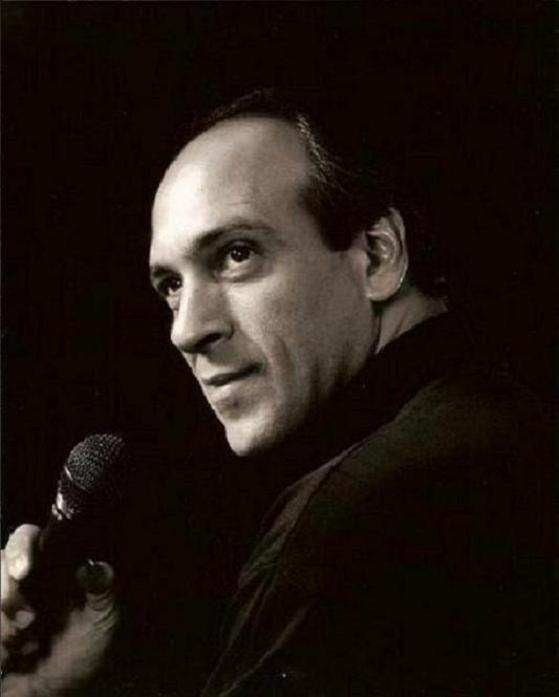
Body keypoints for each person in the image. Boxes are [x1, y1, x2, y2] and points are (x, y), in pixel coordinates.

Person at [2, 89, 556, 695]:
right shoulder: (501, 422)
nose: (186, 331)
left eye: (236, 254)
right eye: (171, 286)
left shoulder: (350, 518)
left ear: (377, 256)